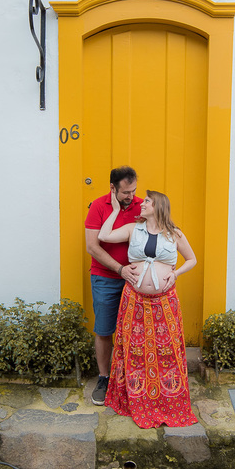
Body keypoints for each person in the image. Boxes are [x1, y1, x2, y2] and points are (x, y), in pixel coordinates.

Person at [97, 189, 198, 428]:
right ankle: (137, 397)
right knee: (133, 348)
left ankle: (165, 399)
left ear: (158, 206)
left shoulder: (175, 233)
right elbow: (103, 235)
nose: (142, 204)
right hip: (134, 299)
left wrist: (175, 274)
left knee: (166, 349)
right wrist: (114, 210)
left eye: (147, 201)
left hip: (165, 301)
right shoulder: (133, 229)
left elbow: (192, 259)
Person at [84, 166, 143, 406]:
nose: (131, 196)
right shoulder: (99, 206)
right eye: (126, 192)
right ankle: (103, 378)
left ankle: (131, 378)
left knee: (137, 330)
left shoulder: (142, 206)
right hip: (106, 278)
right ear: (112, 188)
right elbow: (92, 246)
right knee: (104, 329)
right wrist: (120, 269)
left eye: (133, 191)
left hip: (136, 279)